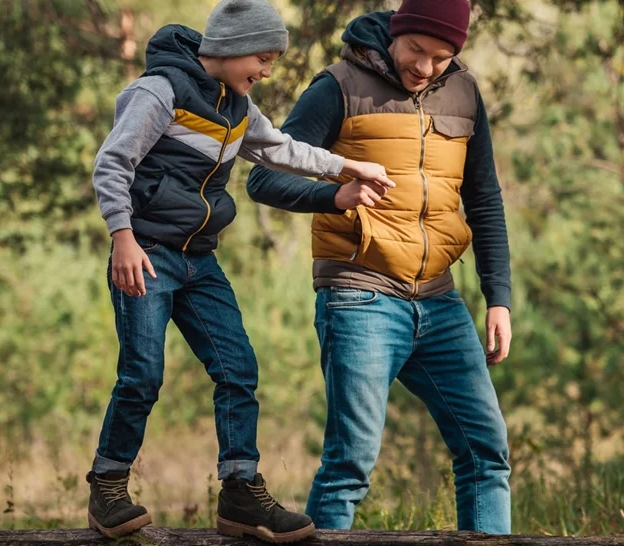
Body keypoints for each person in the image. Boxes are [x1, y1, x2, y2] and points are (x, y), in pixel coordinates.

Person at [86, 0, 394, 541]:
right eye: (263, 57)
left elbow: (282, 151)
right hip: (147, 253)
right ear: (231, 47)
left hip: (199, 259)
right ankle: (108, 485)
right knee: (142, 375)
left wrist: (346, 168)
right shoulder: (160, 92)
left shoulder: (238, 108)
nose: (267, 70)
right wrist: (122, 237)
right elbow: (113, 163)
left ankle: (240, 492)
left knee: (237, 369)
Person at [246, 0, 513, 534]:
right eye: (416, 49)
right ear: (397, 31)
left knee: (487, 452)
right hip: (359, 296)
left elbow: (484, 198)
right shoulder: (339, 86)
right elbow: (264, 176)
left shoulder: (464, 92)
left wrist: (498, 298)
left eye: (441, 57)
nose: (425, 66)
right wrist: (334, 195)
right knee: (350, 464)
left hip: (439, 299)